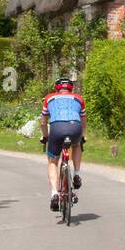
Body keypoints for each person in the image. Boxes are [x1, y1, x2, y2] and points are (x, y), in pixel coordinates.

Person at [41, 77, 85, 211]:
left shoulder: (49, 98)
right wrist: (81, 136)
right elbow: (83, 123)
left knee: (53, 161)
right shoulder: (79, 98)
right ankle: (76, 174)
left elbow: (43, 122)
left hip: (57, 128)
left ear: (57, 88)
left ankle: (54, 193)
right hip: (75, 126)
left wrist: (45, 137)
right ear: (71, 88)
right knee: (77, 145)